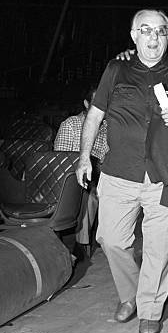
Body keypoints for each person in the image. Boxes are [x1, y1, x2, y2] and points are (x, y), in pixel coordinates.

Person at [76, 9, 168, 333]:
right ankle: (131, 293)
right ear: (133, 35)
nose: (154, 38)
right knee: (110, 239)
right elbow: (94, 116)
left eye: (161, 31)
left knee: (159, 248)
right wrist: (84, 158)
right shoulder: (116, 69)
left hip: (165, 175)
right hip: (119, 172)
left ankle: (149, 309)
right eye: (146, 31)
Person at [54, 87, 108, 249]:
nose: (103, 108)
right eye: (97, 103)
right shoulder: (71, 124)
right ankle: (81, 246)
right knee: (89, 196)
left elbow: (107, 159)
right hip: (69, 179)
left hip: (98, 178)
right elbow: (60, 160)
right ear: (86, 104)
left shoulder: (108, 128)